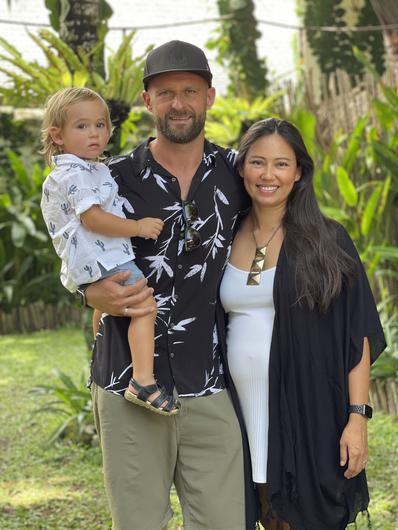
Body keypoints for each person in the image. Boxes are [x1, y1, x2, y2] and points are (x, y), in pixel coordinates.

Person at [84, 41, 258, 530]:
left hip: (211, 380)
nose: (178, 103)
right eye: (165, 93)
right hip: (127, 385)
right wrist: (87, 293)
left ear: (210, 97)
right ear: (147, 100)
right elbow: (73, 251)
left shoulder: (239, 174)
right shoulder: (108, 180)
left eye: (189, 91)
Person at [219, 118, 386, 530]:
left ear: (298, 172)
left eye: (281, 164)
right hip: (238, 417)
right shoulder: (222, 237)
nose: (268, 175)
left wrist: (357, 417)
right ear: (241, 168)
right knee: (263, 514)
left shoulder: (326, 241)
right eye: (258, 162)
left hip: (308, 417)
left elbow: (356, 334)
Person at [40, 87, 180, 416]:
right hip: (103, 257)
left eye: (100, 125)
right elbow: (93, 217)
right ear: (57, 136)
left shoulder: (86, 169)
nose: (94, 134)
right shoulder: (75, 173)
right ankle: (143, 381)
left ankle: (101, 359)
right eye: (82, 126)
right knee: (144, 307)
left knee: (104, 311)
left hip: (92, 261)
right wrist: (138, 227)